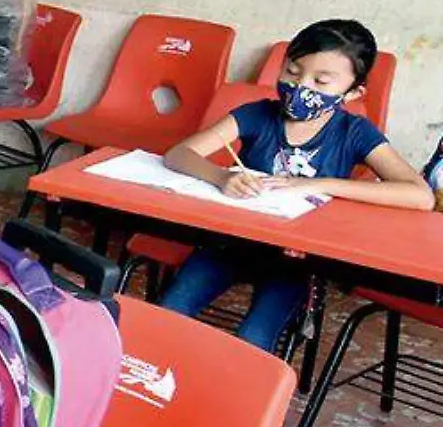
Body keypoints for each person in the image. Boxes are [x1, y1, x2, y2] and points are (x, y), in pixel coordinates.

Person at [158, 19, 432, 349]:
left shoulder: (354, 132)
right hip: (233, 243)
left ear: (354, 92)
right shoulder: (257, 115)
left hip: (298, 261)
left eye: (321, 80)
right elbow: (178, 154)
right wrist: (221, 176)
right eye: (293, 70)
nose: (301, 86)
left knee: (253, 341)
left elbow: (419, 195)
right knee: (168, 313)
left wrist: (321, 185)